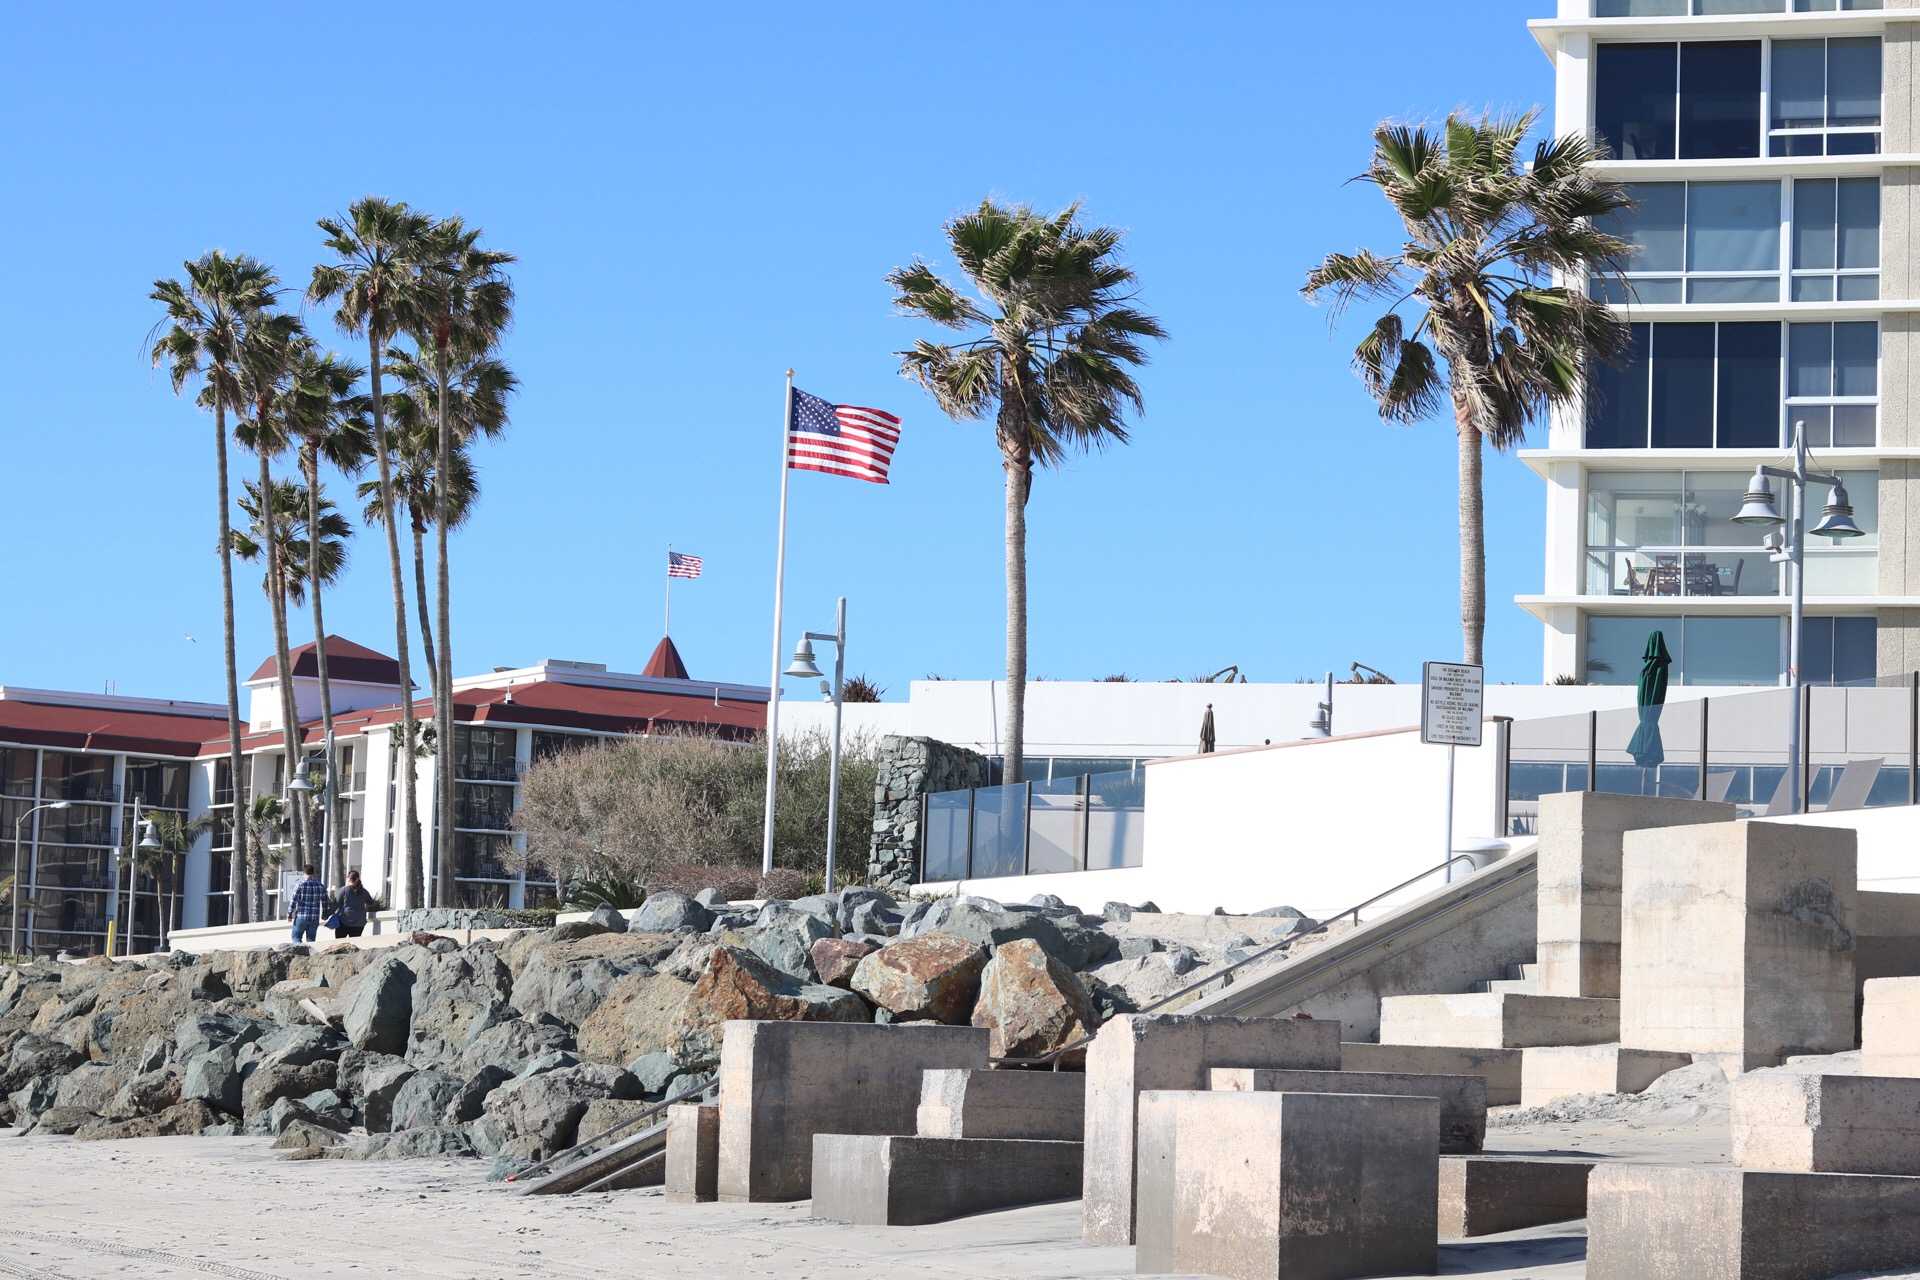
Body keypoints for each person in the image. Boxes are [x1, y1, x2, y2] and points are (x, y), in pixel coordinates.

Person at [331, 869, 376, 939]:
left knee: (339, 943)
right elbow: (371, 903)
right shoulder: (364, 891)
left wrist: (328, 914)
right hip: (359, 923)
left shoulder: (344, 890)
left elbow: (335, 904)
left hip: (344, 922)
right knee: (355, 944)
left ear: (348, 879)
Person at [287, 864, 327, 944]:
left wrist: (290, 914)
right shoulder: (320, 886)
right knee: (311, 941)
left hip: (301, 917)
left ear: (304, 873)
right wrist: (324, 914)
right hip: (314, 918)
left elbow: (293, 900)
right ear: (313, 873)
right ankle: (310, 956)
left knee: (296, 938)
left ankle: (299, 954)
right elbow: (325, 901)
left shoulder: (300, 885)